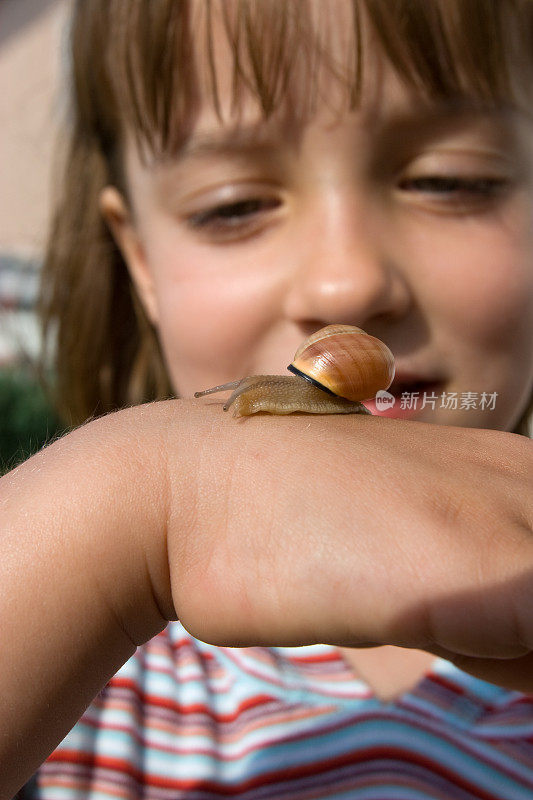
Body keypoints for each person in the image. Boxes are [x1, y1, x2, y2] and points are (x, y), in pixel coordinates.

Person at [3, 0, 533, 797]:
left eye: (447, 180)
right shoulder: (82, 676)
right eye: (234, 206)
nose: (344, 281)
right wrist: (130, 505)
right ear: (140, 262)